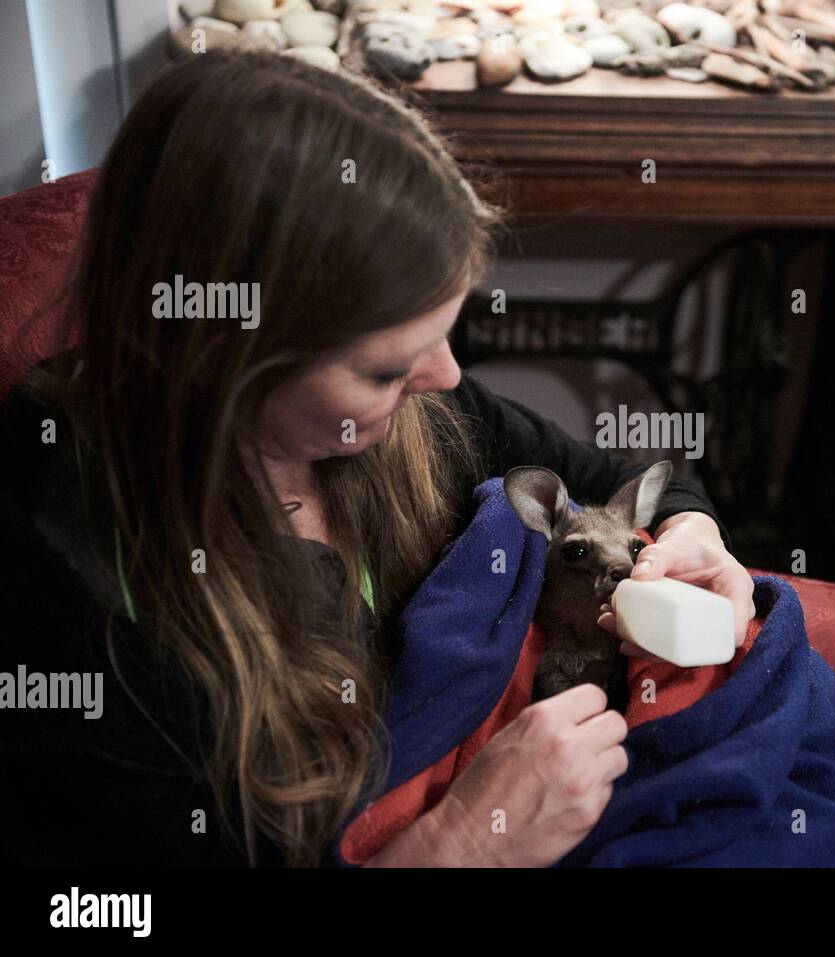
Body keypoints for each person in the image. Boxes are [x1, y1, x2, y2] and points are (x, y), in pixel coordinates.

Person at [0, 50, 755, 868]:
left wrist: (691, 531)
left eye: (443, 331)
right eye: (386, 367)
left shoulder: (417, 416)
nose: (446, 376)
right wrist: (459, 843)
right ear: (221, 362)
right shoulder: (61, 608)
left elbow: (613, 476)